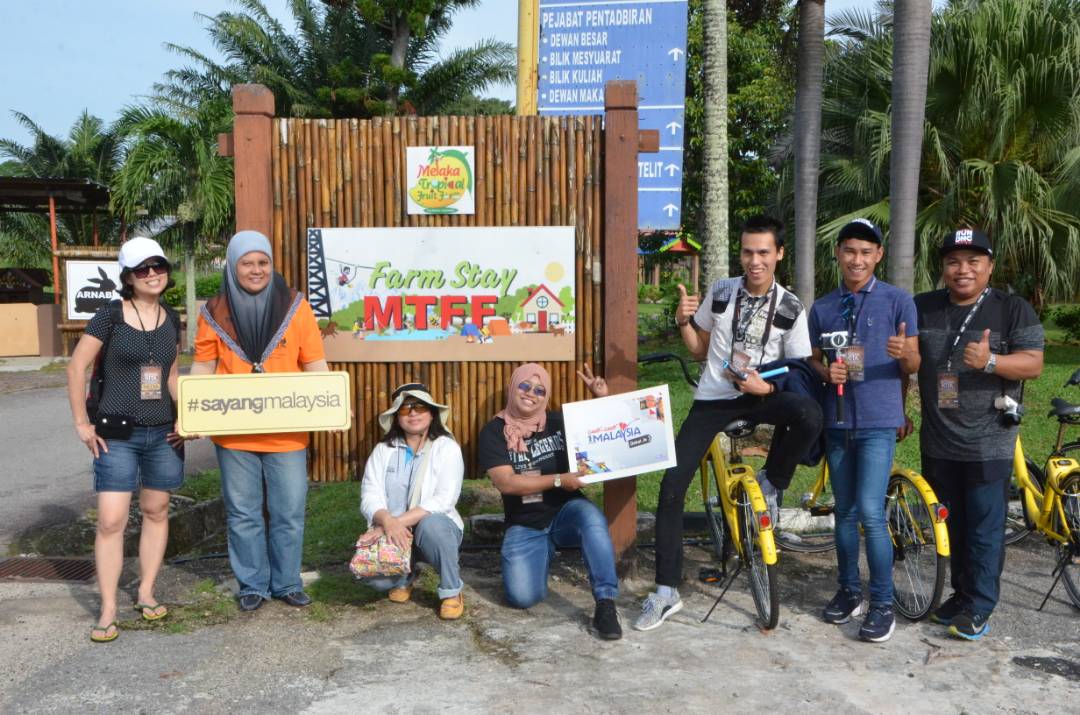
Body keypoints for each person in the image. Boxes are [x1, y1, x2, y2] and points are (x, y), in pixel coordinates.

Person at [635, 215, 823, 632]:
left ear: (778, 254)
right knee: (671, 484)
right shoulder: (721, 291)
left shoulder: (791, 305)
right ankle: (666, 591)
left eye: (763, 252)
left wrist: (766, 389)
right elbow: (701, 350)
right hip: (714, 400)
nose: (754, 261)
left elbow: (796, 369)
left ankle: (772, 482)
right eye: (747, 252)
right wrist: (684, 322)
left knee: (810, 414)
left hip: (762, 395)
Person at [914, 228, 1044, 640]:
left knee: (985, 530)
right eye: (953, 261)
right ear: (943, 268)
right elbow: (909, 358)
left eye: (973, 261)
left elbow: (1033, 364)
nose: (962, 270)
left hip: (988, 440)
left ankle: (980, 606)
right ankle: (961, 595)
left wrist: (991, 362)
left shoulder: (1012, 309)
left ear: (990, 266)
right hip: (938, 440)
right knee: (953, 526)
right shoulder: (925, 307)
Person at [190, 230, 329, 612]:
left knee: (289, 512)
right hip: (234, 436)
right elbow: (202, 366)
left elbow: (315, 363)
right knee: (242, 513)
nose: (256, 270)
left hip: (287, 436)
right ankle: (252, 584)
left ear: (272, 265)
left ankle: (286, 582)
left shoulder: (294, 308)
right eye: (247, 263)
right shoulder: (214, 312)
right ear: (234, 267)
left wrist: (331, 404)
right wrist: (193, 412)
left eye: (263, 262)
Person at [807, 219, 920, 643]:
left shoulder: (897, 302)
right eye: (849, 251)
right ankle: (849, 590)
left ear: (878, 256)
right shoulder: (822, 307)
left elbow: (914, 365)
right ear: (838, 253)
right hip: (837, 421)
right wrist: (825, 369)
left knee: (871, 514)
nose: (857, 259)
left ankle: (882, 604)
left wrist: (904, 354)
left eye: (865, 252)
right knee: (845, 512)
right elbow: (814, 360)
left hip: (877, 422)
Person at [66, 237, 184, 643]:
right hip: (115, 432)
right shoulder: (110, 315)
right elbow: (77, 366)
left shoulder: (171, 316)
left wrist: (185, 416)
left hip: (163, 432)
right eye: (142, 269)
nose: (152, 274)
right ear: (128, 277)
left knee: (156, 510)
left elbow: (169, 375)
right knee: (112, 520)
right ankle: (109, 607)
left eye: (158, 266)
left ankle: (147, 590)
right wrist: (82, 424)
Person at [477, 363, 622, 640]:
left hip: (565, 511)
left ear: (546, 396)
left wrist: (601, 400)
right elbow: (506, 482)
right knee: (522, 597)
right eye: (525, 386)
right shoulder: (494, 432)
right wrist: (558, 479)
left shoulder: (558, 423)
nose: (531, 393)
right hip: (525, 523)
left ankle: (605, 602)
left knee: (591, 518)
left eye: (540, 390)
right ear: (513, 387)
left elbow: (603, 437)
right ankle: (543, 551)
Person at [357, 383, 466, 620]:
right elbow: (369, 494)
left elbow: (444, 500)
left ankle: (451, 590)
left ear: (432, 412)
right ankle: (406, 575)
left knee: (433, 525)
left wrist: (396, 522)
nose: (413, 413)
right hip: (393, 530)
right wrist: (386, 520)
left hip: (435, 529)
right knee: (376, 583)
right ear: (397, 417)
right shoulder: (383, 450)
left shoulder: (447, 448)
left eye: (420, 406)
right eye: (405, 409)